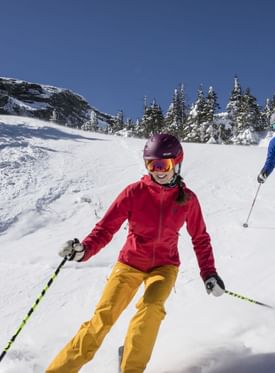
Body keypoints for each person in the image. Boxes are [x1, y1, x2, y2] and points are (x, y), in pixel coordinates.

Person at [46, 134, 225, 373]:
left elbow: (200, 238)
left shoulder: (188, 200)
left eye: (164, 165)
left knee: (151, 309)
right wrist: (84, 250)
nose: (158, 171)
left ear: (177, 163)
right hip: (129, 263)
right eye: (152, 164)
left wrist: (209, 273)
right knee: (102, 318)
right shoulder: (134, 192)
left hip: (164, 266)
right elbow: (105, 228)